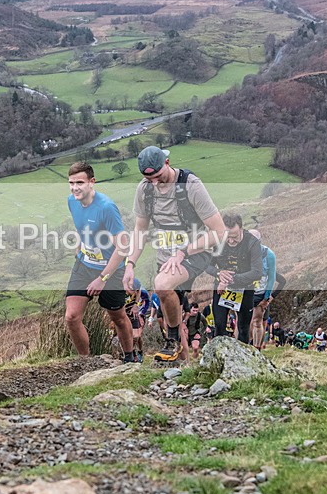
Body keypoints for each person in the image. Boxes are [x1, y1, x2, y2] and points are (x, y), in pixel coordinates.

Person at [123, 146, 226, 364]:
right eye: (148, 178)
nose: (154, 183)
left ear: (167, 163)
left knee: (161, 285)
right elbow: (140, 230)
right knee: (174, 311)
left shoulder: (191, 186)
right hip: (165, 256)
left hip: (195, 252)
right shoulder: (145, 190)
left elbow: (219, 231)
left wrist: (183, 251)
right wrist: (130, 264)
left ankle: (171, 342)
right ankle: (184, 365)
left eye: (158, 177)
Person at [65, 162, 135, 360]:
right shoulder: (72, 201)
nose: (75, 187)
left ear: (92, 182)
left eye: (80, 182)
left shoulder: (106, 207)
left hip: (110, 271)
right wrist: (79, 248)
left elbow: (123, 248)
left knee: (118, 318)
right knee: (71, 317)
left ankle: (130, 357)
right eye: (71, 183)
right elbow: (82, 227)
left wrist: (102, 279)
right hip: (84, 265)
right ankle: (86, 362)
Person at [204, 213, 263, 345]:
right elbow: (206, 265)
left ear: (241, 229)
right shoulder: (217, 241)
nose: (230, 241)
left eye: (234, 237)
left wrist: (230, 280)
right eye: (227, 237)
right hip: (221, 288)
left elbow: (257, 272)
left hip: (244, 288)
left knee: (243, 328)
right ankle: (219, 358)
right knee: (219, 325)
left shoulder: (252, 243)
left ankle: (242, 360)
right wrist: (219, 273)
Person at [247, 229, 286, 350]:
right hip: (248, 293)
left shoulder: (268, 256)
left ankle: (257, 347)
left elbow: (277, 279)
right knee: (248, 323)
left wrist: (269, 297)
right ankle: (249, 346)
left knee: (258, 322)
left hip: (262, 295)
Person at [123, 278, 150, 363]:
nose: (135, 293)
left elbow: (147, 302)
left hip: (136, 314)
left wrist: (141, 312)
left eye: (137, 291)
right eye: (133, 291)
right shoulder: (121, 290)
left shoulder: (141, 292)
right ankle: (132, 354)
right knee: (128, 336)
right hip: (124, 314)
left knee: (137, 336)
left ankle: (140, 351)